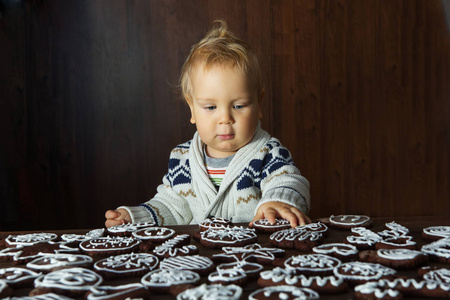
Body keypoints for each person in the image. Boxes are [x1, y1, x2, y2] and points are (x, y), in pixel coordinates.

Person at [105, 20, 311, 229]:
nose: (225, 118)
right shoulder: (182, 159)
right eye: (211, 107)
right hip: (201, 255)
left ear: (258, 104)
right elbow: (172, 207)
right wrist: (134, 217)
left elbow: (288, 181)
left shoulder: (268, 153)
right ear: (192, 108)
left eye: (239, 106)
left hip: (253, 253)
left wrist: (278, 201)